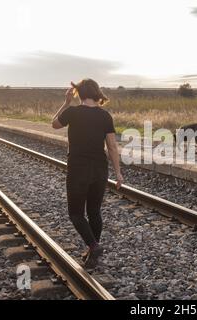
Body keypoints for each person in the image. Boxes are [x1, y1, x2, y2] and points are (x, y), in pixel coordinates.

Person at [52, 78, 123, 267]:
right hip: (100, 169)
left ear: (79, 94)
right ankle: (93, 254)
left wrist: (66, 103)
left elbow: (54, 124)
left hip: (78, 169)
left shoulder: (72, 112)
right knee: (94, 212)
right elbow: (113, 147)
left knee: (75, 213)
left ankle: (93, 245)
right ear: (96, 93)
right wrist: (118, 173)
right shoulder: (105, 116)